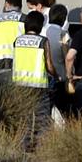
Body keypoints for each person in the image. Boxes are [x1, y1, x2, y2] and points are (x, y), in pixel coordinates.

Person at [11, 11, 56, 151]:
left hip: (20, 85)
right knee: (42, 118)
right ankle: (41, 148)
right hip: (38, 86)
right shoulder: (42, 41)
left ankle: (23, 147)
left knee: (24, 118)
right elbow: (49, 65)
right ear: (40, 25)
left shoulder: (17, 40)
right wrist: (56, 75)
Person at [44, 3, 70, 113]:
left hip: (43, 77)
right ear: (64, 18)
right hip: (60, 77)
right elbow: (68, 57)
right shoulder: (63, 34)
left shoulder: (42, 31)